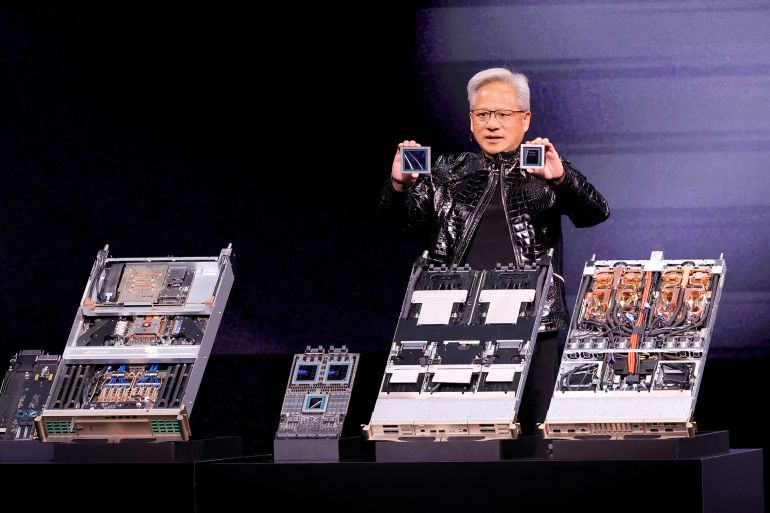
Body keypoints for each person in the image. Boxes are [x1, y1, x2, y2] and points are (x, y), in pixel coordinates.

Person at [379, 67, 610, 435]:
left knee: (535, 433)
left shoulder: (545, 169)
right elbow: (400, 221)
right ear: (471, 120)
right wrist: (398, 184)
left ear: (525, 119)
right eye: (483, 114)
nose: (493, 124)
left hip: (535, 322)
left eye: (503, 114)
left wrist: (563, 179)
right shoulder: (446, 172)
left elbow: (596, 212)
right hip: (456, 322)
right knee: (461, 432)